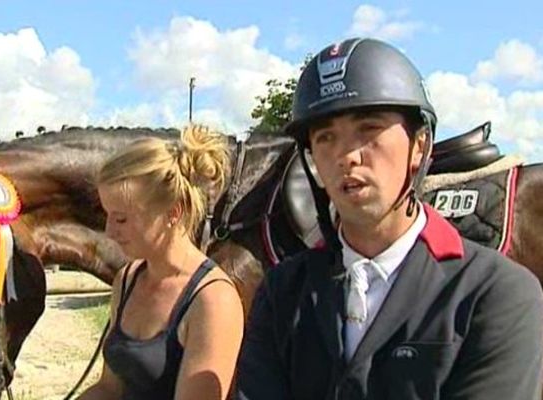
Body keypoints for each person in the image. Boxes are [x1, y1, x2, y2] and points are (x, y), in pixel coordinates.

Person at [235, 37, 543, 399]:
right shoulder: (281, 292)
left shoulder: (498, 292)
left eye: (369, 129)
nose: (347, 156)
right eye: (326, 137)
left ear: (419, 145)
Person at [78, 124, 244, 400]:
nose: (109, 231)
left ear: (173, 213)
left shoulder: (213, 299)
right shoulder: (128, 279)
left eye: (121, 219)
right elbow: (109, 388)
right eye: (106, 215)